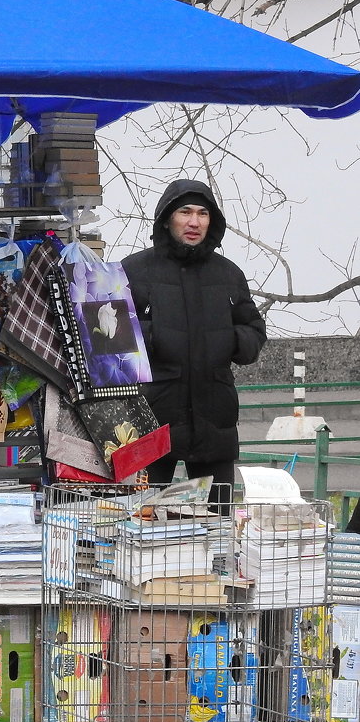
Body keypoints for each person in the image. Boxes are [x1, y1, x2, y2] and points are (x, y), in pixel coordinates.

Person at [122, 179, 267, 506]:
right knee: (144, 521)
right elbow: (109, 337)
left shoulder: (229, 274)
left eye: (203, 213)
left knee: (217, 525)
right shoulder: (132, 271)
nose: (194, 221)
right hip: (151, 419)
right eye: (185, 211)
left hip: (214, 419)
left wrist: (228, 340)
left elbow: (254, 331)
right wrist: (156, 336)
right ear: (167, 218)